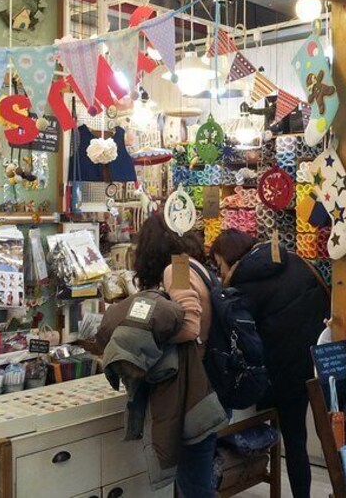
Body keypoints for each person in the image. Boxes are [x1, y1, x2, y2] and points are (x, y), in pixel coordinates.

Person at [210, 230, 331, 498]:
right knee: (323, 437)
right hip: (320, 360)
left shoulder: (243, 285)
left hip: (282, 374)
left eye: (219, 265)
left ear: (229, 258)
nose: (220, 273)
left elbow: (243, 337)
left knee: (289, 438)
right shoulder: (292, 259)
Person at [133, 213, 220, 497]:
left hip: (197, 385)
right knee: (198, 476)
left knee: (194, 482)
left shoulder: (177, 268)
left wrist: (150, 336)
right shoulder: (196, 265)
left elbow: (191, 326)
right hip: (211, 379)